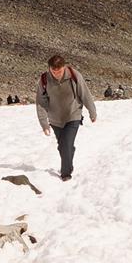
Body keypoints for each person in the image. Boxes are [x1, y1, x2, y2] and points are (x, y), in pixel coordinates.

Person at [35, 53, 97, 181]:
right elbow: (41, 103)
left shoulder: (74, 76)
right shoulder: (44, 80)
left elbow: (85, 94)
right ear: (49, 68)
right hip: (55, 118)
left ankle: (66, 173)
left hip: (73, 114)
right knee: (63, 146)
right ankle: (69, 160)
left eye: (59, 71)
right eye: (53, 71)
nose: (56, 74)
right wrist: (44, 123)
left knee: (66, 144)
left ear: (64, 67)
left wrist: (92, 111)